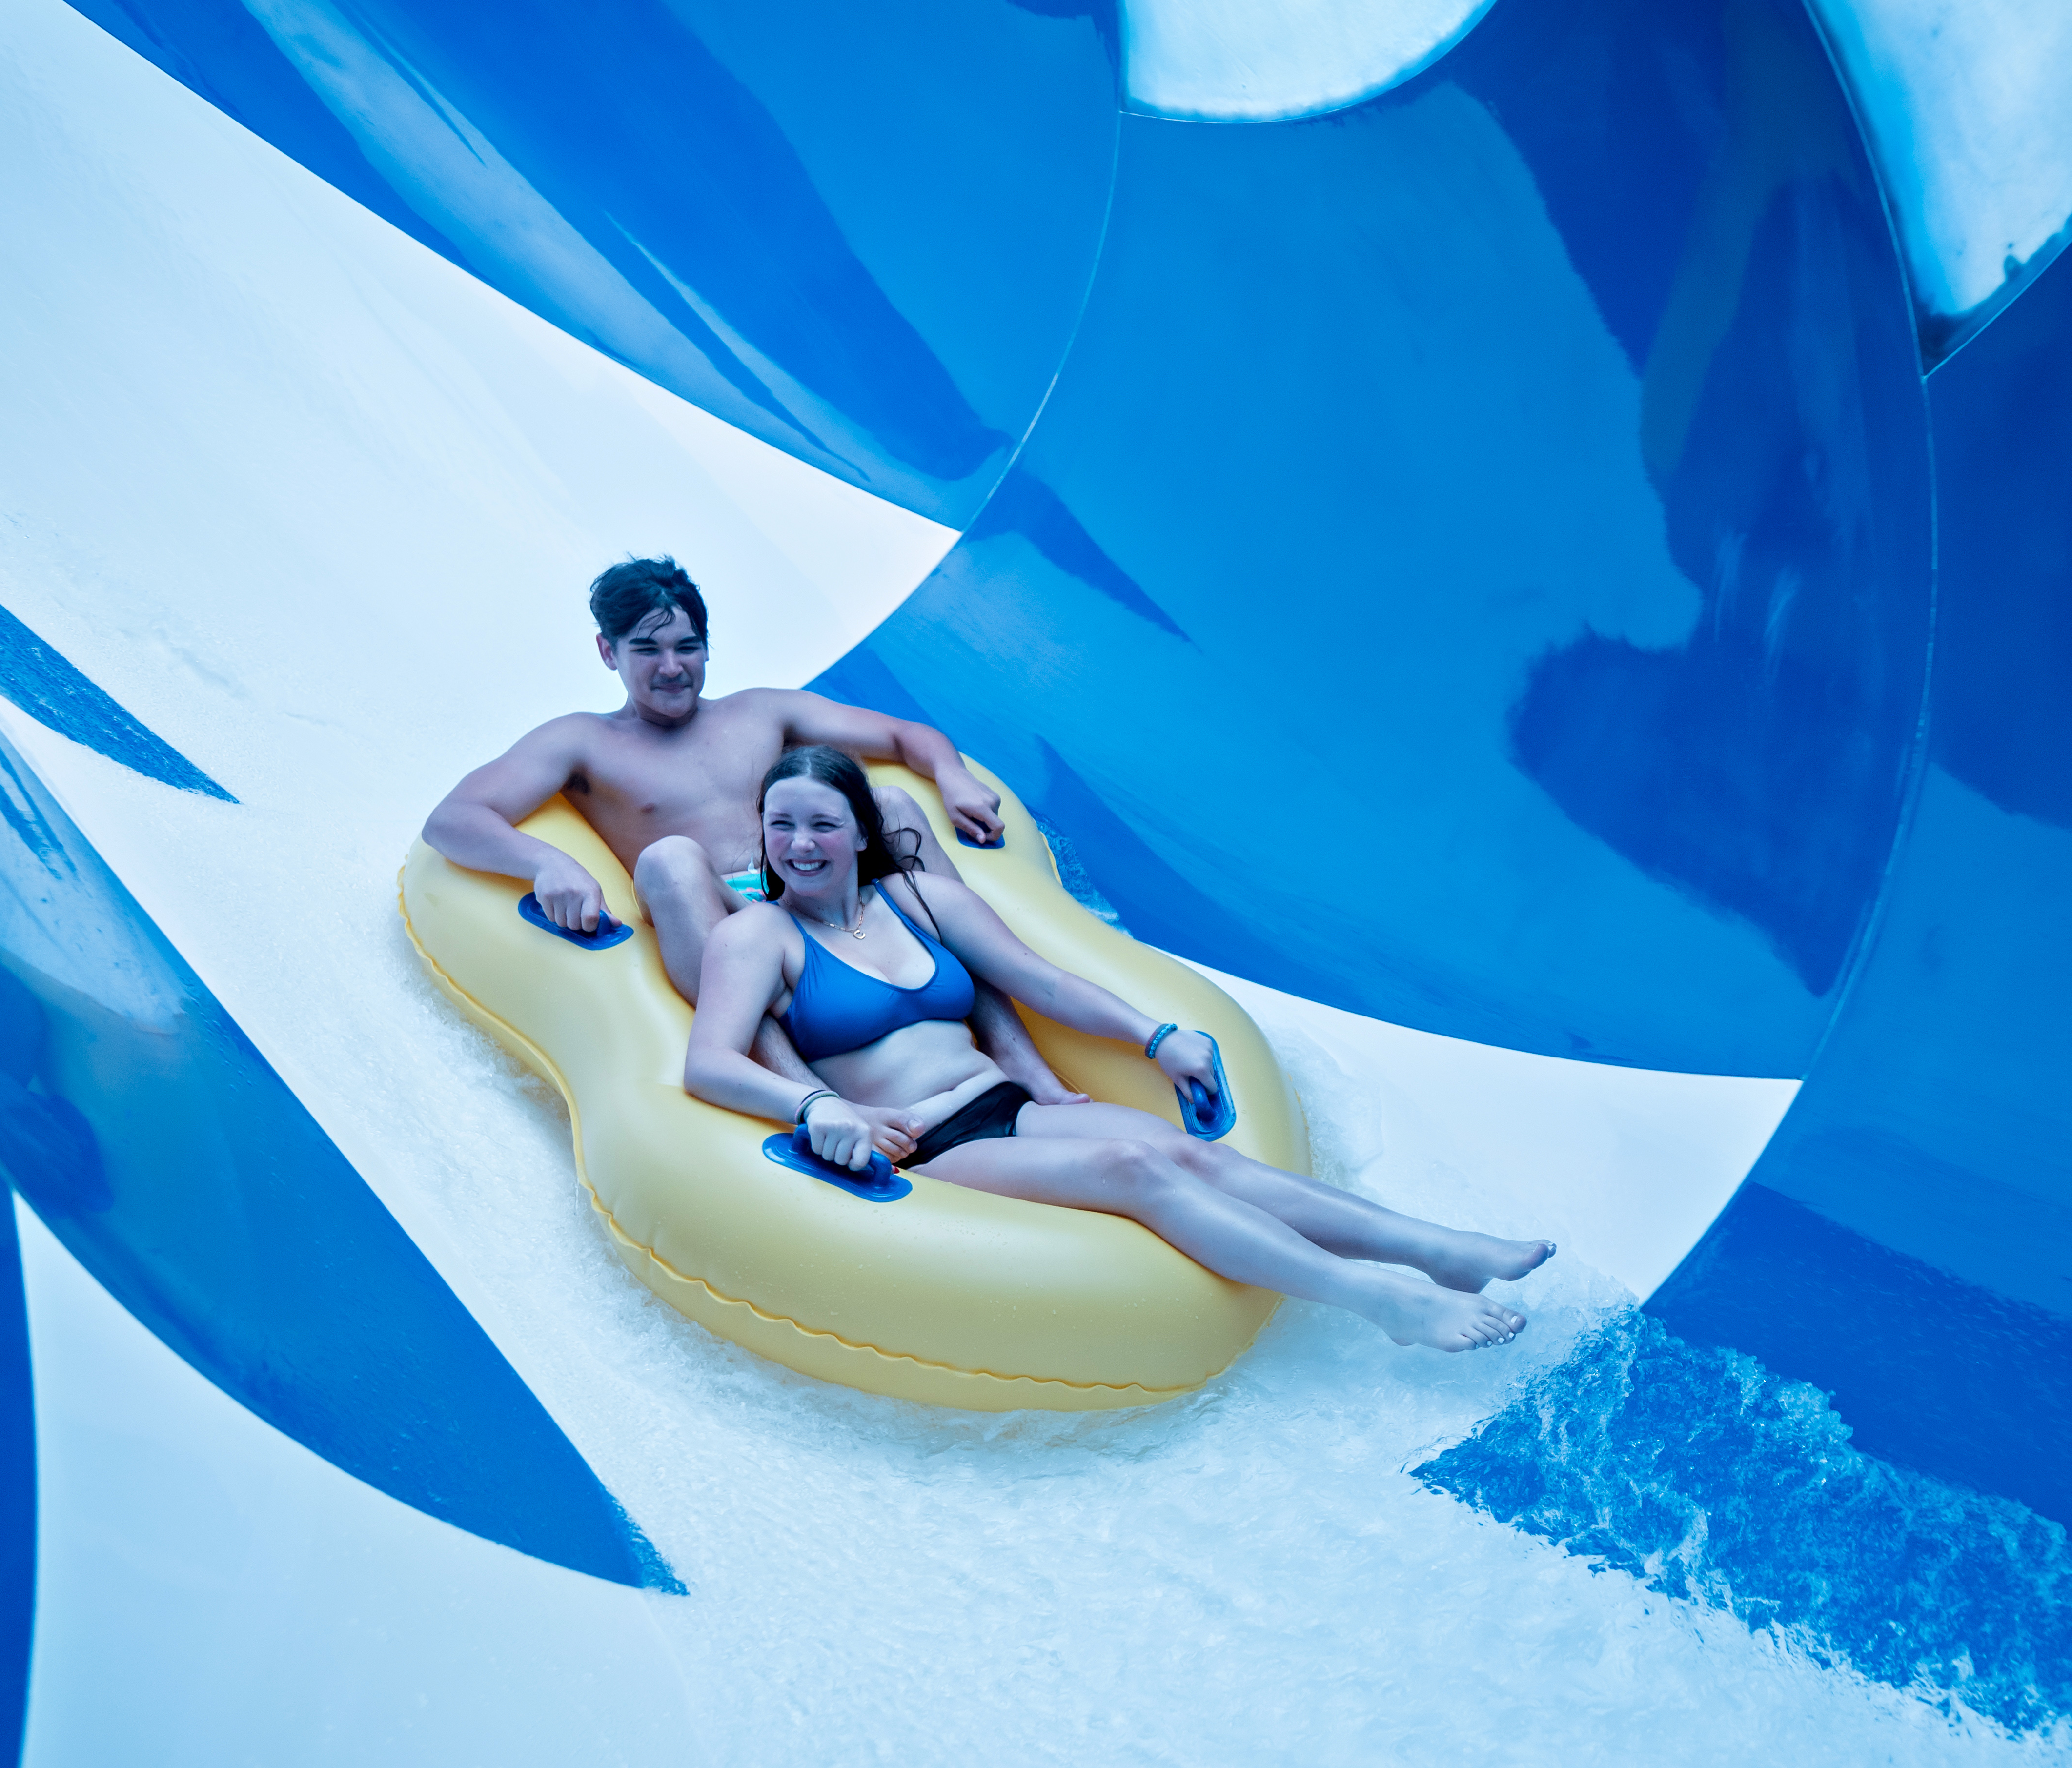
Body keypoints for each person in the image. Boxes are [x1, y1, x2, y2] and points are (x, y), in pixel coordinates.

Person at [687, 746, 1551, 1354]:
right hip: (926, 1145)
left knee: (1176, 1149)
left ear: (860, 830)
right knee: (1136, 1174)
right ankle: (1383, 1300)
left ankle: (1435, 1249)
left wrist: (1154, 1033)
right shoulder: (762, 934)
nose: (800, 845)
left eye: (822, 824)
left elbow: (1044, 981)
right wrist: (817, 1104)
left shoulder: (914, 899)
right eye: (781, 824)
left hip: (1007, 1108)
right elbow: (712, 1061)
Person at [424, 556, 1078, 1103]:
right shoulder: (584, 742)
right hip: (723, 915)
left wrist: (951, 776)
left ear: (709, 646)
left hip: (820, 893)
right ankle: (806, 1093)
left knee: (896, 805)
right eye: (646, 650)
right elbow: (452, 819)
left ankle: (1021, 1059)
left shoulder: (762, 713)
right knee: (670, 858)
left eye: (686, 647)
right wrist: (545, 861)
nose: (671, 666)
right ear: (608, 651)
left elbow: (904, 735)